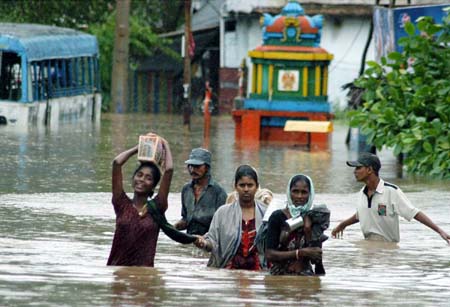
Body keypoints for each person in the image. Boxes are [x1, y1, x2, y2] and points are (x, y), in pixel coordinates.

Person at [332, 152, 450, 244]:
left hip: (387, 249)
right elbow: (361, 214)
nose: (354, 172)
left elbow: (414, 213)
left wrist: (440, 231)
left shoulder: (391, 192)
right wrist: (343, 224)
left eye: (358, 168)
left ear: (369, 170)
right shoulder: (362, 193)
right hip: (368, 246)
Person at [107, 134, 173, 267]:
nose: (142, 180)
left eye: (148, 178)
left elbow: (169, 170)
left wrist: (165, 144)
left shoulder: (157, 207)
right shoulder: (121, 204)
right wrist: (141, 148)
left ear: (154, 186)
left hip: (145, 276)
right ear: (133, 179)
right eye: (139, 175)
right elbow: (117, 163)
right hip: (118, 271)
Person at [194, 165, 267, 270]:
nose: (246, 189)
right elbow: (213, 241)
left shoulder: (266, 213)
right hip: (228, 270)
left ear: (257, 187)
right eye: (242, 185)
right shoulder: (222, 213)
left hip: (258, 274)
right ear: (235, 186)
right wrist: (203, 243)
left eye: (250, 185)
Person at [265, 174, 329, 275]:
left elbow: (317, 262)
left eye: (304, 192)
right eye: (295, 191)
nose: (299, 196)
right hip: (279, 276)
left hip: (305, 275)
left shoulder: (315, 218)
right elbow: (269, 255)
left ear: (310, 194)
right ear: (289, 193)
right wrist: (300, 253)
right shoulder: (277, 217)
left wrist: (308, 230)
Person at [174, 148, 227, 235]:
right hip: (190, 240)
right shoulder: (186, 190)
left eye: (197, 167)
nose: (193, 170)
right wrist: (173, 228)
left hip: (210, 241)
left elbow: (223, 226)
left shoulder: (219, 193)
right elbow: (186, 219)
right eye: (191, 166)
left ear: (207, 167)